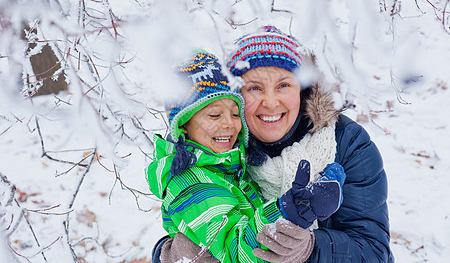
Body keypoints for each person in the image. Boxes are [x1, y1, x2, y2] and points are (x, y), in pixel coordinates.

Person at [152, 26, 393, 262]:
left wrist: (309, 249)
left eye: (284, 85)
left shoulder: (347, 143)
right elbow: (206, 226)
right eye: (254, 87)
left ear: (302, 89)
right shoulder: (216, 151)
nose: (270, 102)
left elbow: (374, 253)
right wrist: (169, 254)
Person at [146, 52, 345, 263]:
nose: (229, 125)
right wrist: (291, 210)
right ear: (183, 125)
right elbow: (237, 249)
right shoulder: (191, 183)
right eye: (214, 115)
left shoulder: (224, 168)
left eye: (234, 114)